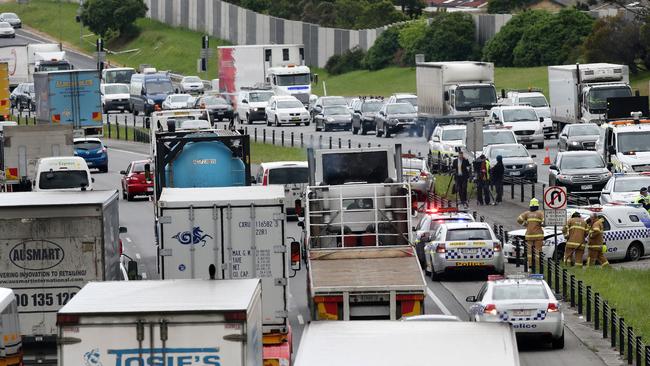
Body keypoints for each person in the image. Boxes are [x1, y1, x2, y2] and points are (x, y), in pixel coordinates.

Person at [516, 198, 545, 267]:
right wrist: (540, 224)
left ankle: (530, 265)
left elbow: (519, 219)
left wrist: (525, 224)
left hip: (529, 236)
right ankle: (537, 266)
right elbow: (544, 222)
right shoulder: (540, 213)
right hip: (538, 236)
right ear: (537, 206)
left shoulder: (527, 213)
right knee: (538, 251)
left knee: (529, 252)